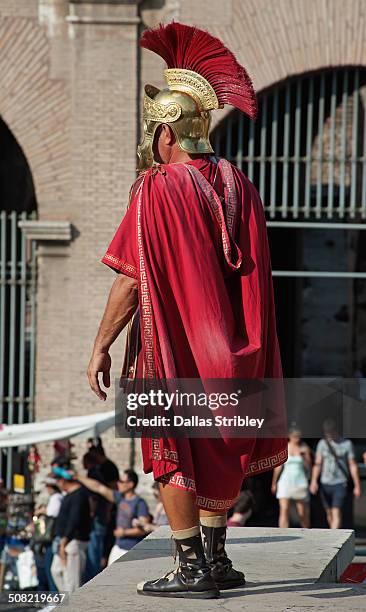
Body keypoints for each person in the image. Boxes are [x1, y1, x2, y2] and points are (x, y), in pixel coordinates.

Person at [87, 21, 287, 598]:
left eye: (153, 130)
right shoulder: (238, 182)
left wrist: (101, 345)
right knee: (216, 446)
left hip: (176, 347)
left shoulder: (158, 188)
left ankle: (190, 565)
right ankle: (218, 558)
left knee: (171, 446)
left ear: (168, 131)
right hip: (234, 349)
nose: (151, 141)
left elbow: (130, 281)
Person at [75, 469, 149, 563]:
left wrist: (125, 532)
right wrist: (77, 476)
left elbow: (144, 528)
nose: (118, 483)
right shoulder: (120, 497)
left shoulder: (139, 503)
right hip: (117, 546)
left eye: (121, 481)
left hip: (131, 548)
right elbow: (99, 488)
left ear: (130, 484)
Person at [310, 419, 361, 529]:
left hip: (340, 483)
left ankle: (333, 538)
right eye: (326, 433)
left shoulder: (347, 444)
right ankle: (333, 533)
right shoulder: (322, 443)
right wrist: (314, 481)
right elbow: (318, 464)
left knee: (336, 511)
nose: (328, 435)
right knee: (329, 513)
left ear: (336, 431)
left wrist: (357, 485)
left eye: (330, 432)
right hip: (325, 483)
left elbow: (352, 465)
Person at [50, 472, 91, 592]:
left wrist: (64, 541)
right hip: (65, 541)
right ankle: (66, 601)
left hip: (73, 541)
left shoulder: (79, 495)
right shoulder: (69, 495)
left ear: (63, 480)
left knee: (72, 580)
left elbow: (75, 519)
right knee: (56, 571)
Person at [271, 427, 311, 528]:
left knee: (302, 511)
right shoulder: (285, 447)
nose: (297, 439)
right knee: (284, 510)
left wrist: (305, 457)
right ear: (290, 436)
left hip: (300, 481)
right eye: (295, 436)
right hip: (285, 481)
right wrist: (274, 482)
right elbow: (278, 467)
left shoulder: (304, 448)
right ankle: (282, 533)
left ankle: (307, 532)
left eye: (299, 437)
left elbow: (309, 467)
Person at [82, 452, 112, 580]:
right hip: (102, 516)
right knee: (97, 546)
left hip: (97, 518)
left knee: (94, 549)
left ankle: (92, 578)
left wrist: (91, 513)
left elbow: (93, 497)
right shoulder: (99, 473)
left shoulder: (93, 474)